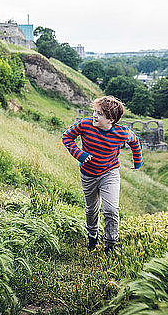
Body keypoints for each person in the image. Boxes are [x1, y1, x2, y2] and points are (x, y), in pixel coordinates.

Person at [62, 96, 143, 254]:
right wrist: (79, 154)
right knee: (91, 209)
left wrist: (138, 160)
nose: (94, 115)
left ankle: (110, 244)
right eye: (94, 111)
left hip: (110, 173)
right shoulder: (84, 124)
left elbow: (135, 142)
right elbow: (67, 137)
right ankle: (92, 236)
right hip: (88, 175)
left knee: (111, 209)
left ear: (111, 119)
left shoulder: (122, 133)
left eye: (99, 113)